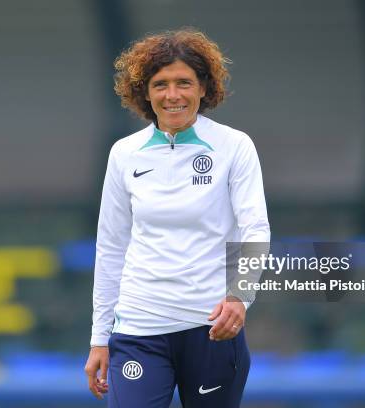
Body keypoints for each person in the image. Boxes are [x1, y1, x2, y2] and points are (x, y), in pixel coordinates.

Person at [84, 28, 270, 408]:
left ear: (204, 87)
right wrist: (100, 337)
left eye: (184, 82)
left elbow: (255, 228)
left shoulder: (235, 146)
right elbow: (112, 246)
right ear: (145, 92)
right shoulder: (124, 153)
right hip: (139, 328)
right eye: (160, 84)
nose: (172, 95)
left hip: (212, 329)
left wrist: (239, 296)